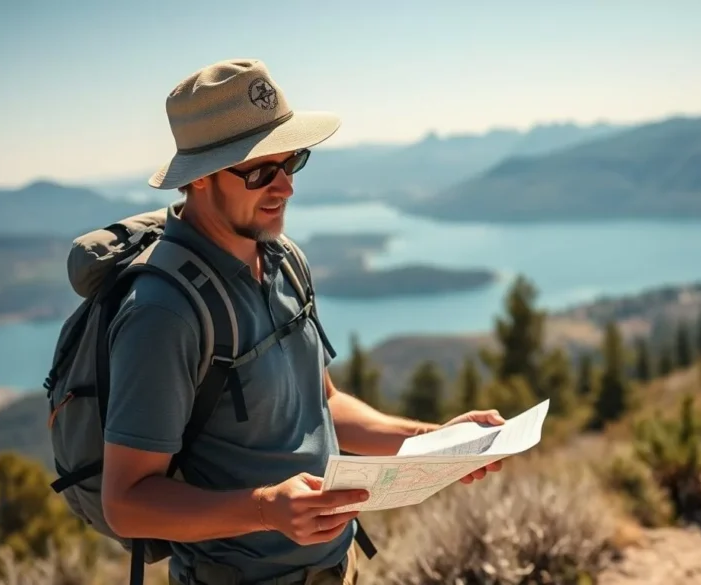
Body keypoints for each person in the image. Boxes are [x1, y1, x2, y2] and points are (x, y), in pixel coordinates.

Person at [99, 58, 505, 585]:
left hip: (339, 567)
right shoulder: (163, 313)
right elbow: (127, 503)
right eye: (260, 171)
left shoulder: (283, 258)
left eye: (292, 162)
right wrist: (267, 508)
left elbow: (324, 404)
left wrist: (433, 443)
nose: (285, 187)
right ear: (198, 180)